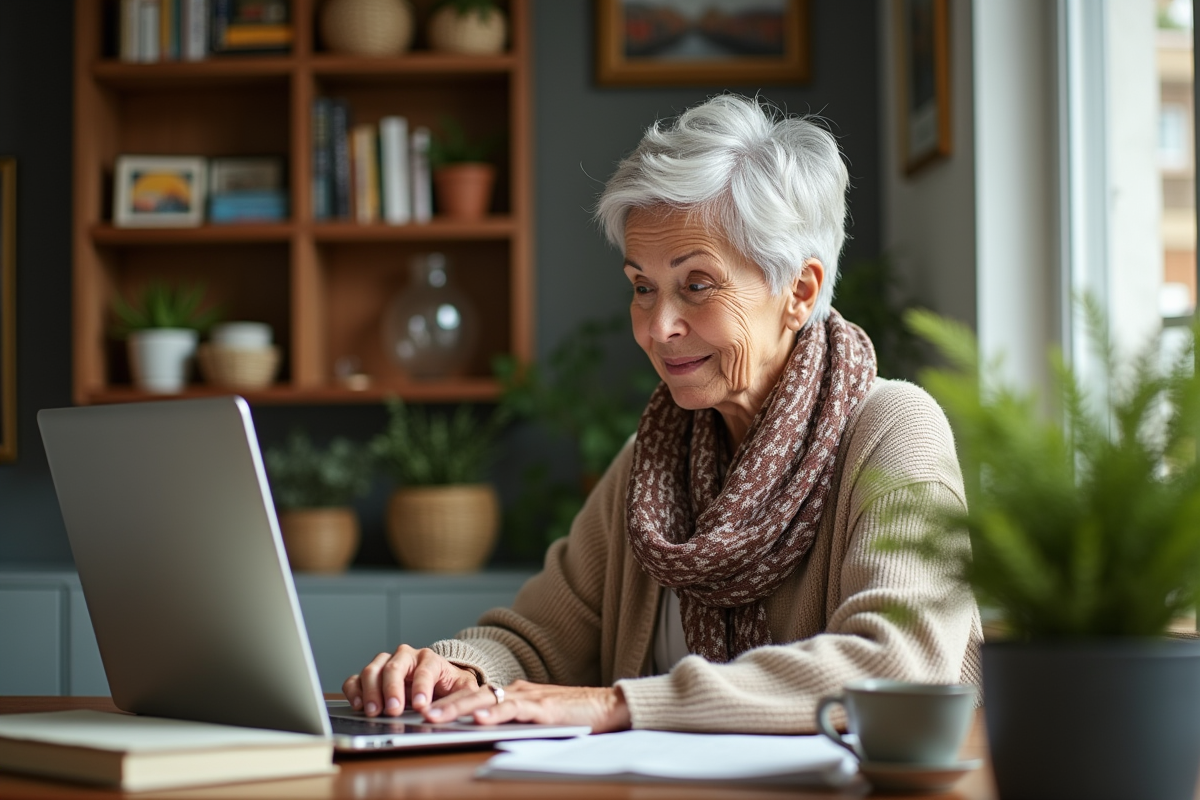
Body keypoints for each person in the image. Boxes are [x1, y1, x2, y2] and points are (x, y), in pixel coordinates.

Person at [343, 93, 983, 734]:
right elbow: (539, 641)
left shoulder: (894, 430)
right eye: (642, 287)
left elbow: (897, 668)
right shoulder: (651, 462)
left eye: (697, 284)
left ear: (800, 290)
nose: (658, 327)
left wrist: (621, 705)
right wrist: (458, 671)